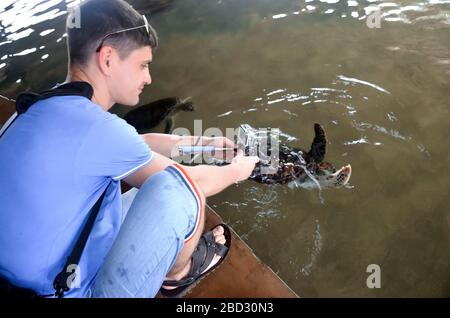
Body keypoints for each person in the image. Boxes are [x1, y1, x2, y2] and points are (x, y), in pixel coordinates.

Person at [0, 0, 259, 298]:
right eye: (143, 65)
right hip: (64, 292)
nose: (148, 78)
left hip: (30, 275)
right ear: (108, 59)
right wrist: (239, 170)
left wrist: (206, 144)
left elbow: (139, 146)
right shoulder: (97, 128)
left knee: (149, 183)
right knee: (178, 192)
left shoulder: (39, 107)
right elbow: (190, 183)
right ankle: (178, 276)